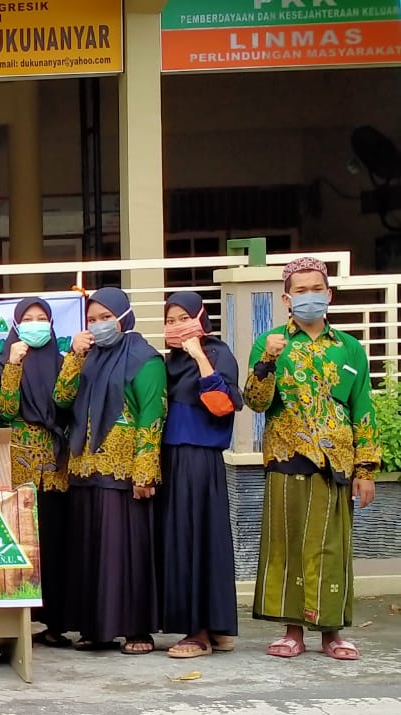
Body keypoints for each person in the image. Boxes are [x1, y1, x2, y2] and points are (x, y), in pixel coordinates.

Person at [244, 256, 379, 660]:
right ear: (287, 299)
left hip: (335, 462)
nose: (309, 297)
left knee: (330, 547)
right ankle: (292, 631)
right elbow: (254, 401)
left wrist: (366, 468)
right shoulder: (270, 342)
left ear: (329, 294)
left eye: (315, 289)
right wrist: (266, 360)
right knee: (286, 545)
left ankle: (332, 633)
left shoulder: (349, 348)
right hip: (287, 457)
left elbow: (363, 408)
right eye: (300, 291)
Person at [54, 286, 166, 655]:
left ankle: (136, 629)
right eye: (92, 319)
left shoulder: (144, 360)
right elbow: (62, 399)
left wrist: (144, 471)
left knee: (126, 552)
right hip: (85, 470)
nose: (99, 325)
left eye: (106, 318)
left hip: (124, 474)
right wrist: (73, 355)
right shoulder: (89, 358)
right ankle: (96, 628)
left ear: (124, 317)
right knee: (90, 553)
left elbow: (152, 415)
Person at [158, 292, 242, 659]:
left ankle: (200, 633)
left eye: (183, 318)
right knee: (183, 541)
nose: (177, 326)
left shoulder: (218, 354)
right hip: (172, 458)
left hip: (200, 459)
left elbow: (222, 405)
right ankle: (214, 626)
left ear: (201, 317)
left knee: (199, 542)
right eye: (170, 320)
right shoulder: (166, 363)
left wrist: (199, 356)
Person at [0, 297, 72, 648]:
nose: (35, 324)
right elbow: (5, 410)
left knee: (55, 545)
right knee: (17, 547)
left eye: (42, 318)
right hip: (18, 467)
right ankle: (13, 625)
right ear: (16, 325)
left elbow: (66, 402)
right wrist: (12, 365)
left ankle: (56, 623)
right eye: (28, 318)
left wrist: (74, 363)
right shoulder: (3, 362)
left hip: (55, 467)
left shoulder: (62, 362)